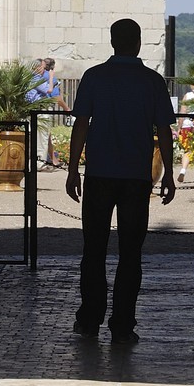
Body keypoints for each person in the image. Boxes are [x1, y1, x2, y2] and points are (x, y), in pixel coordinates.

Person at [66, 18, 176, 343]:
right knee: (130, 254)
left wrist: (72, 169)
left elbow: (81, 125)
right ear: (138, 43)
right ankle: (123, 325)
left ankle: (89, 319)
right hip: (136, 177)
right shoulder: (152, 82)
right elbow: (164, 131)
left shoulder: (94, 77)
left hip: (99, 174)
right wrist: (169, 173)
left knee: (93, 250)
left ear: (112, 42)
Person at [33, 56, 71, 170]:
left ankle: (52, 159)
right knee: (43, 136)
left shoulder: (34, 76)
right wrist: (67, 108)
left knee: (45, 136)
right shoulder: (49, 78)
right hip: (42, 108)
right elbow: (55, 96)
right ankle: (41, 162)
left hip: (35, 108)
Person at [176, 85, 194, 186]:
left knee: (188, 150)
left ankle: (183, 170)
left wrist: (179, 128)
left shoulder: (188, 95)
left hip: (187, 125)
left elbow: (183, 112)